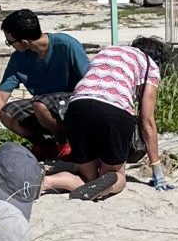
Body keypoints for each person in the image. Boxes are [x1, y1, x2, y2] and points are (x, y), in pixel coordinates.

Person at [49, 36, 167, 201]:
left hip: (77, 107)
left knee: (85, 176)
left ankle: (45, 182)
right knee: (116, 175)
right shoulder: (150, 65)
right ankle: (107, 184)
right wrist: (157, 170)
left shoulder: (107, 51)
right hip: (114, 111)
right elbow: (147, 122)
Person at [0, 10, 89, 155]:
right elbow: (1, 96)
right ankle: (45, 145)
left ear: (24, 43)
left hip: (72, 103)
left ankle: (67, 142)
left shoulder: (66, 44)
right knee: (6, 113)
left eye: (10, 42)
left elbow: (89, 81)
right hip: (43, 107)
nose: (10, 45)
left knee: (40, 105)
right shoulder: (18, 59)